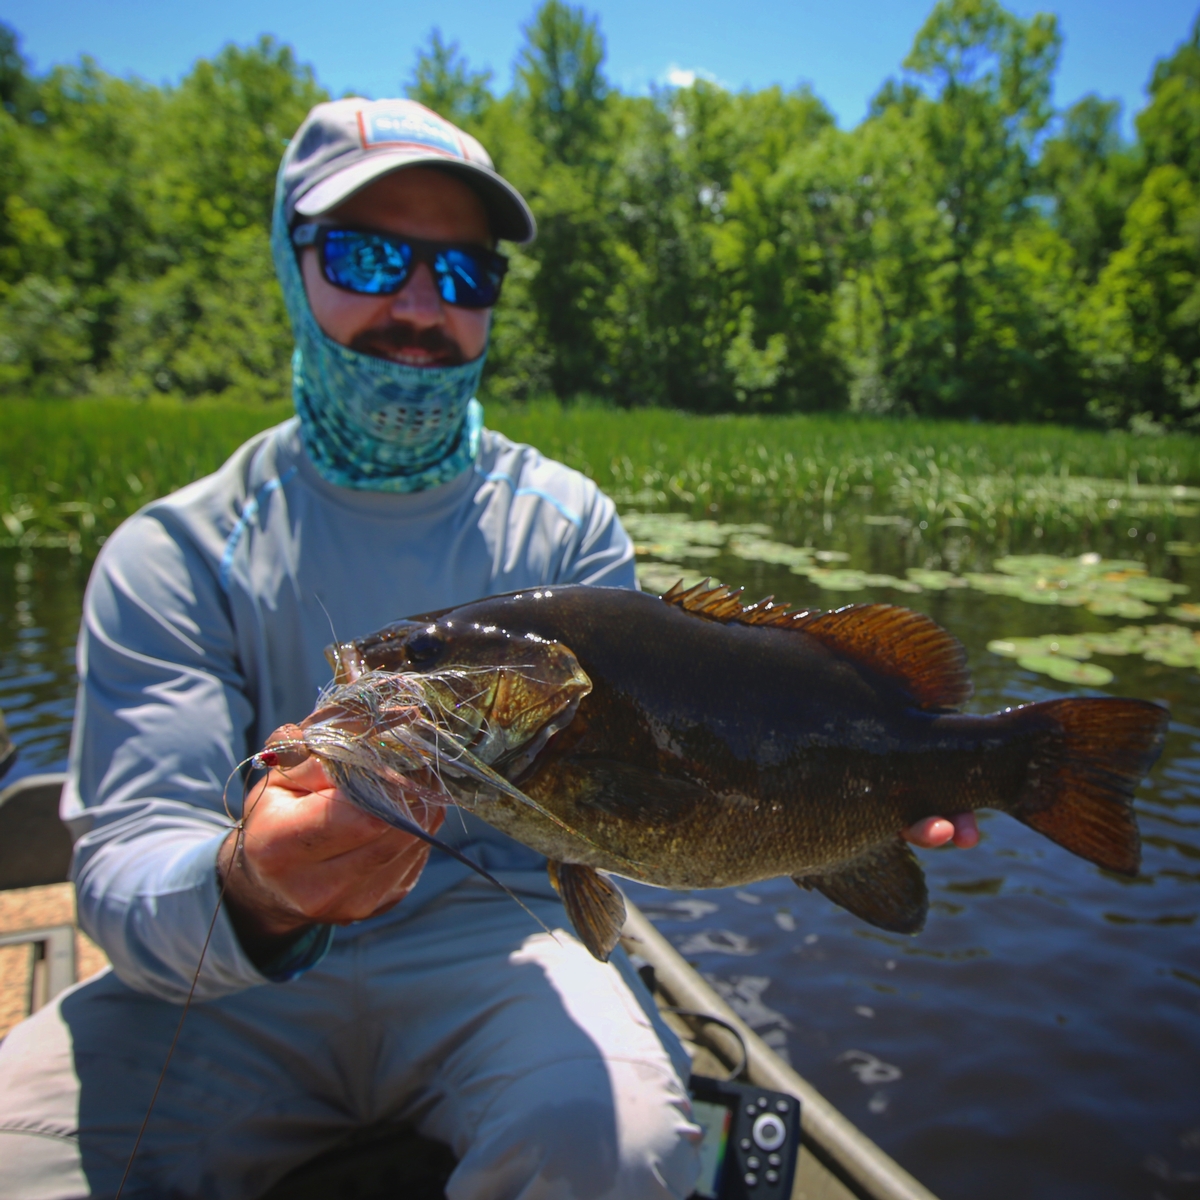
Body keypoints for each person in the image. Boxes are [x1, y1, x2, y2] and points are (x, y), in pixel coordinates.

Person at [0, 98, 977, 1200]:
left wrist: (818, 811)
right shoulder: (172, 556)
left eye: (463, 272)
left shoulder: (564, 525)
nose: (420, 306)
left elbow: (657, 795)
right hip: (225, 984)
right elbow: (125, 862)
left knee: (627, 1150)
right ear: (293, 264)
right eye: (371, 256)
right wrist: (250, 883)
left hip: (500, 941)